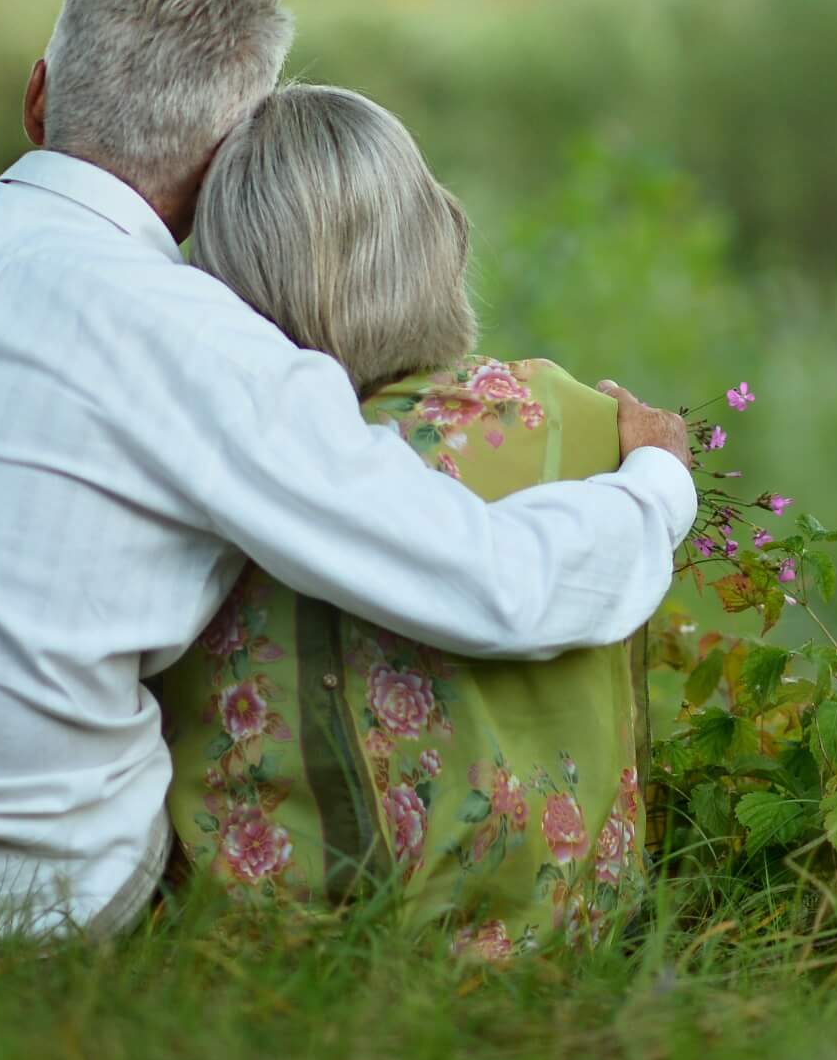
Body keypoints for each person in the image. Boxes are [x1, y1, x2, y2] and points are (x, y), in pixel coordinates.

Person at [0, 0, 696, 938]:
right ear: (230, 158)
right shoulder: (215, 354)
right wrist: (652, 476)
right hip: (12, 901)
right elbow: (489, 587)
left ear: (37, 95)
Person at [157, 86, 659, 957]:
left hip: (255, 949)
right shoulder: (574, 421)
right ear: (438, 237)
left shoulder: (194, 450)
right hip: (571, 940)